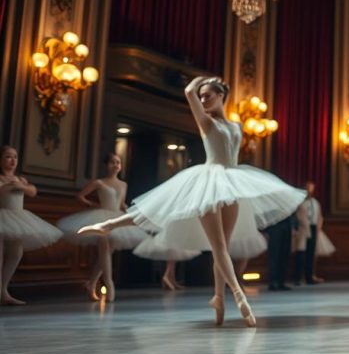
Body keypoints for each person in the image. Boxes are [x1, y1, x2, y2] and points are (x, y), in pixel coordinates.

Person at [79, 77, 306, 327]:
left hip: (230, 183)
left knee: (223, 250)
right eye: (202, 96)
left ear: (221, 96)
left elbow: (195, 96)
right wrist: (201, 83)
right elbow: (188, 91)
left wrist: (206, 82)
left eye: (208, 95)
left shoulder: (237, 126)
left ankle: (219, 298)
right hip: (209, 183)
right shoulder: (206, 122)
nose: (203, 99)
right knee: (190, 227)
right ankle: (239, 297)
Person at [57, 153, 148, 301]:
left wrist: (130, 211)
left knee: (106, 252)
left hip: (116, 216)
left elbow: (121, 203)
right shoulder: (99, 182)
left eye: (118, 162)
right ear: (106, 165)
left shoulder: (124, 184)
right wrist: (94, 205)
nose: (115, 165)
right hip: (101, 217)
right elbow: (80, 196)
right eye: (112, 162)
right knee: (105, 248)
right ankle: (109, 284)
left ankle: (91, 283)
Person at [0, 145, 62, 305]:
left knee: (16, 253)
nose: (12, 160)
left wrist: (19, 185)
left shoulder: (20, 179)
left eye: (15, 156)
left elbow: (32, 191)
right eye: (8, 156)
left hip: (18, 219)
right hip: (2, 215)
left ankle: (3, 290)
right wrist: (9, 186)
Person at [293, 181, 323, 286]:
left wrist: (318, 228)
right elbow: (297, 216)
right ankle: (298, 278)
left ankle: (309, 276)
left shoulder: (316, 202)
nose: (309, 191)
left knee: (311, 253)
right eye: (307, 189)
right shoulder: (300, 202)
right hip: (303, 229)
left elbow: (319, 216)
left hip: (313, 228)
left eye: (311, 189)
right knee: (300, 254)